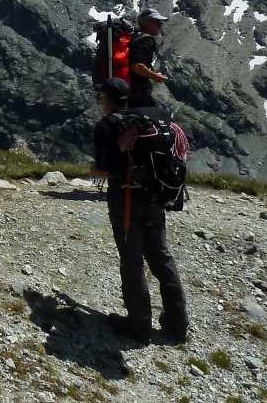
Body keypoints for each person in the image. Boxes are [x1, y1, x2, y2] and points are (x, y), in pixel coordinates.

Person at [89, 76, 189, 343]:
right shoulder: (148, 118)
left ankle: (138, 324)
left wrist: (92, 171)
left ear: (106, 99)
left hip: (127, 198)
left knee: (132, 261)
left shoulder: (107, 125)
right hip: (156, 197)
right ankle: (178, 323)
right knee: (161, 258)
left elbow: (104, 169)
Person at [127, 8, 170, 108]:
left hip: (124, 90)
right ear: (146, 23)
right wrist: (155, 77)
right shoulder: (147, 40)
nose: (160, 26)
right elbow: (136, 65)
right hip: (136, 94)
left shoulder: (134, 36)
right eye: (157, 22)